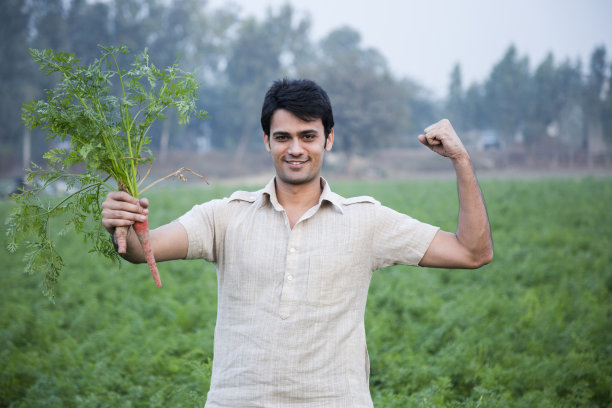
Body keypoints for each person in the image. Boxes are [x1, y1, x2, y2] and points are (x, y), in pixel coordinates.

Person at [102, 78, 493, 408]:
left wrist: (460, 159)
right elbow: (142, 251)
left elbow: (472, 252)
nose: (295, 149)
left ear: (329, 139)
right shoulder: (224, 216)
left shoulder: (366, 219)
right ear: (266, 141)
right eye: (283, 137)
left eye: (308, 136)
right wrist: (123, 222)